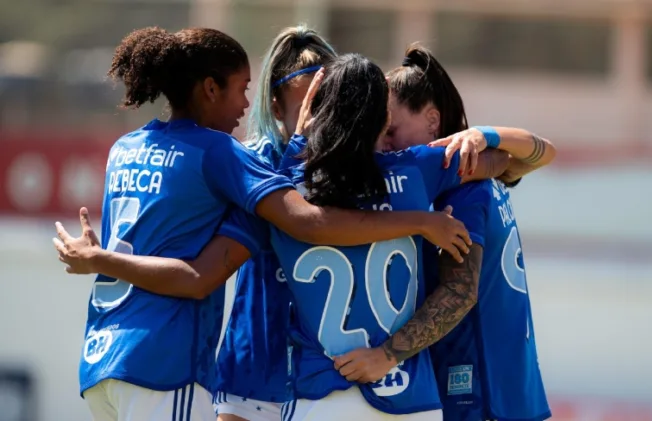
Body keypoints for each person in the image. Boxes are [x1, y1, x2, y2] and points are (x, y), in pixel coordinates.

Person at [55, 53, 511, 420]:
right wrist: (469, 153)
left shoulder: (274, 177)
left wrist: (298, 142)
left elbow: (309, 220)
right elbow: (515, 161)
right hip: (406, 395)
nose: (244, 105)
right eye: (242, 89)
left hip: (309, 390)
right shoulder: (419, 168)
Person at [336, 44, 556, 421]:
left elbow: (460, 291)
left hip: (478, 390)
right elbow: (533, 155)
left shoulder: (464, 185)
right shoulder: (475, 170)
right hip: (511, 386)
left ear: (433, 121)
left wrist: (385, 357)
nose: (383, 145)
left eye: (390, 131)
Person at [212, 26, 337, 421]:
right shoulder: (249, 160)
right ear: (276, 107)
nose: (316, 122)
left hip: (323, 380)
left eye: (328, 107)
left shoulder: (351, 168)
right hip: (251, 371)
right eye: (305, 109)